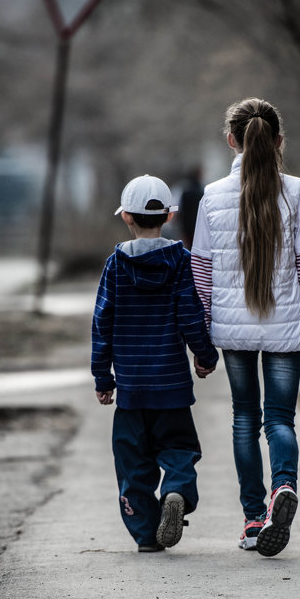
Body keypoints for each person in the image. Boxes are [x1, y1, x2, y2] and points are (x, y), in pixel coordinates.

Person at [191, 97, 300, 557]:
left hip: (232, 333)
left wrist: (200, 341)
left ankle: (254, 520)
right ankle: (284, 489)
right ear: (278, 141)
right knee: (279, 418)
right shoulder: (295, 192)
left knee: (244, 419)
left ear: (232, 141)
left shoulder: (212, 196)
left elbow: (200, 272)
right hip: (286, 327)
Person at [92, 174, 218, 552]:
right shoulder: (181, 261)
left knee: (133, 464)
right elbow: (190, 314)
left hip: (131, 391)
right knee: (179, 448)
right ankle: (177, 490)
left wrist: (103, 378)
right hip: (172, 388)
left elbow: (103, 322)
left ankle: (147, 535)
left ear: (126, 217)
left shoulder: (115, 265)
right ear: (171, 215)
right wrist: (205, 355)